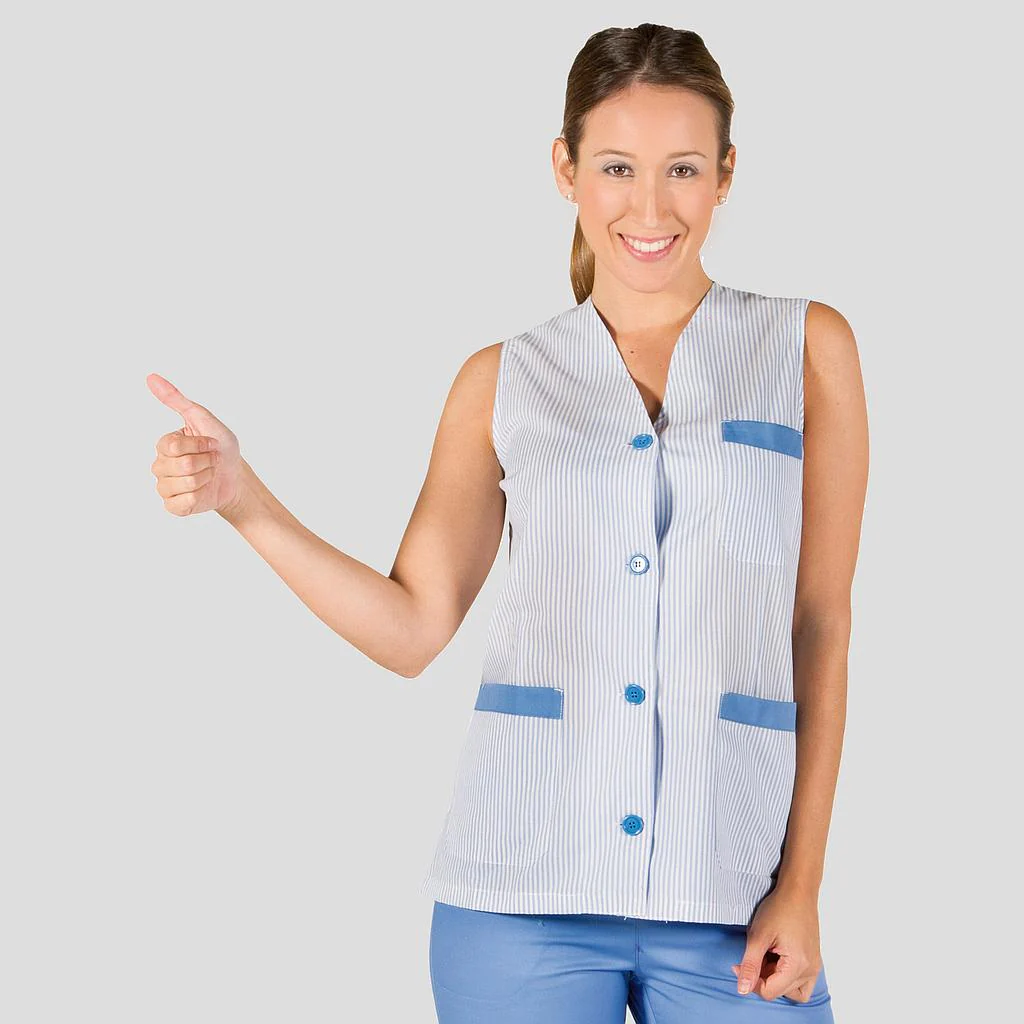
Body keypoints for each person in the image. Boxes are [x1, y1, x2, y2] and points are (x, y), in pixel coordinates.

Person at [148, 22, 867, 1024]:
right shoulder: (502, 379)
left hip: (735, 894)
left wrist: (803, 883)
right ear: (565, 169)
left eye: (682, 169)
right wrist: (244, 500)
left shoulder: (805, 346)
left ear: (726, 175)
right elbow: (411, 628)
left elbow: (820, 624)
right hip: (517, 893)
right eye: (615, 167)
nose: (650, 207)